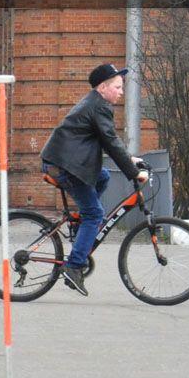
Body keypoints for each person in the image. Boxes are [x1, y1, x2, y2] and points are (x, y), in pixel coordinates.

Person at [40, 63, 148, 296]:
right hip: (66, 167)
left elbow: (107, 141)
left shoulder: (95, 104)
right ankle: (74, 266)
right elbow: (110, 141)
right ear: (102, 87)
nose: (121, 92)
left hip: (68, 163)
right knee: (95, 214)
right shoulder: (99, 107)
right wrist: (133, 172)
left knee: (104, 177)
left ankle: (80, 230)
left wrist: (130, 159)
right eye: (118, 87)